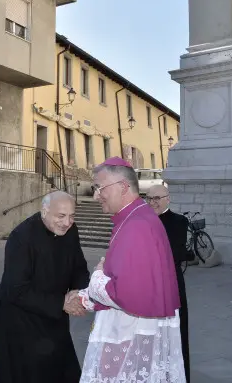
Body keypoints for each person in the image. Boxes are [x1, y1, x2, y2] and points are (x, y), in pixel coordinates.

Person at [77, 157, 185, 383]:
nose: (96, 195)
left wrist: (96, 277)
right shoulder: (135, 217)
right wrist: (85, 297)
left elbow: (129, 294)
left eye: (100, 187)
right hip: (131, 327)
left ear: (123, 187)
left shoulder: (137, 225)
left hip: (130, 331)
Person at [0, 191, 90, 383]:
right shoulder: (21, 237)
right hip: (20, 325)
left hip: (53, 318)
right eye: (61, 216)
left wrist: (78, 293)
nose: (67, 222)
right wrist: (62, 303)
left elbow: (79, 267)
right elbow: (16, 290)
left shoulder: (70, 230)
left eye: (72, 216)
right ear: (44, 211)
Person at [147, 184, 191, 382]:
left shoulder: (179, 221)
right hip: (146, 284)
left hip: (170, 283)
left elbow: (174, 253)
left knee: (175, 332)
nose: (153, 202)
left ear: (168, 199)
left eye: (157, 198)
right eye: (149, 198)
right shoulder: (142, 221)